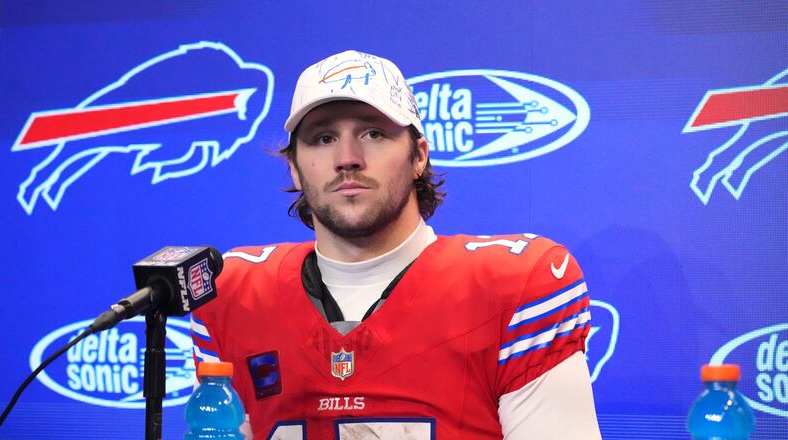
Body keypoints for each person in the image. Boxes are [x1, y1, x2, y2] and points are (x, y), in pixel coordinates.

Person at [190, 50, 601, 439]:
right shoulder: (233, 293)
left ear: (418, 155)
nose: (347, 158)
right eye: (322, 138)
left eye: (373, 133)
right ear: (294, 167)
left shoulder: (514, 285)